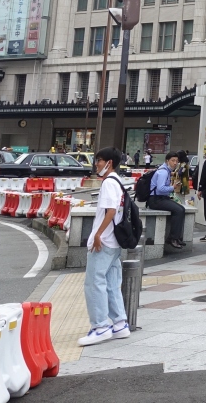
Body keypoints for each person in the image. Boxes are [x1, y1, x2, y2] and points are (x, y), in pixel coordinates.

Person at [79, 147, 130, 346]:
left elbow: (110, 211)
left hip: (105, 240)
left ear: (109, 163)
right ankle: (119, 323)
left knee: (94, 283)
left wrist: (98, 234)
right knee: (111, 283)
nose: (96, 164)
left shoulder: (109, 182)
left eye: (99, 160)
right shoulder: (118, 181)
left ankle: (100, 326)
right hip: (115, 241)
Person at [146, 152, 187, 249]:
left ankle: (176, 238)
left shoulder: (166, 171)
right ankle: (173, 238)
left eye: (176, 161)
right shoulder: (163, 172)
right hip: (155, 200)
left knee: (181, 209)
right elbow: (160, 188)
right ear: (167, 161)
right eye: (173, 160)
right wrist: (172, 187)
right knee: (179, 210)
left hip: (161, 198)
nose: (175, 163)